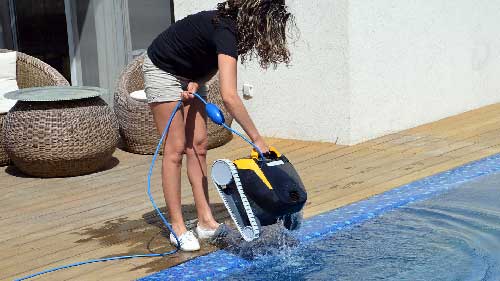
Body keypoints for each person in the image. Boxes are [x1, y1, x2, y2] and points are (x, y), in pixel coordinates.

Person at [143, 0, 295, 251]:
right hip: (163, 68)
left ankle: (205, 221)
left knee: (199, 146)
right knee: (176, 148)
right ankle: (177, 227)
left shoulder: (236, 34)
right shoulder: (227, 30)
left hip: (190, 74)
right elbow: (229, 96)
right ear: (258, 18)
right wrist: (258, 140)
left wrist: (197, 80)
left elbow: (210, 60)